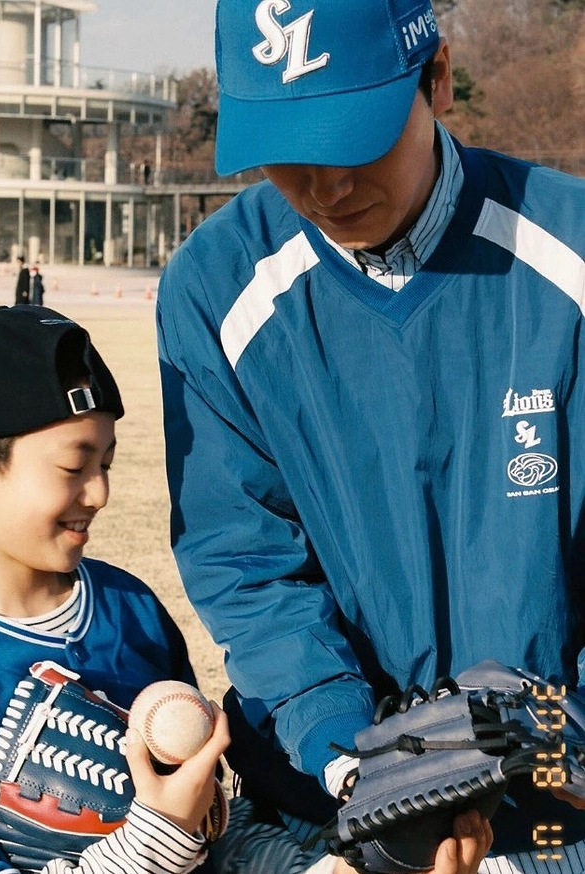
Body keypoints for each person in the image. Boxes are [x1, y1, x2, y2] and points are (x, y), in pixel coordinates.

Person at [156, 0, 585, 871]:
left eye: (356, 138)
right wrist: (364, 769)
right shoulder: (213, 290)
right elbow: (246, 563)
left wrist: (550, 744)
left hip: (562, 809)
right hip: (348, 810)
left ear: (437, 79)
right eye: (287, 150)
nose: (326, 186)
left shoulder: (570, 254)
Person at [0, 305, 230, 874]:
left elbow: (206, 817)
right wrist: (150, 846)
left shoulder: (131, 606)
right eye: (74, 466)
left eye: (107, 464)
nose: (99, 493)